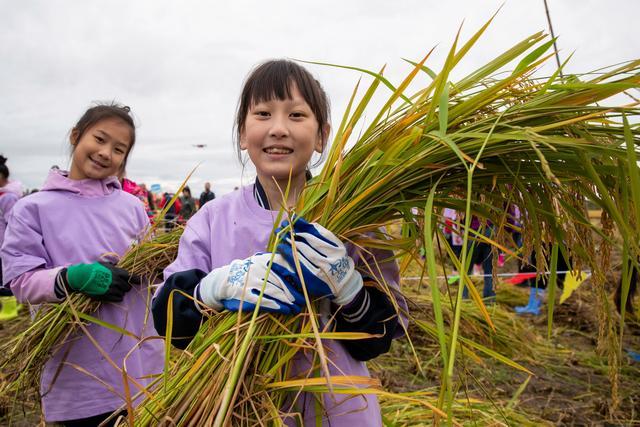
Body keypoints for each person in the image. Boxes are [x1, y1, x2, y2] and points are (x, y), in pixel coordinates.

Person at [151, 60, 406, 425]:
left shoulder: (353, 220)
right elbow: (168, 321)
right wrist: (211, 288)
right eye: (263, 113)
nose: (279, 129)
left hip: (339, 411)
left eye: (297, 115)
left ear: (321, 135)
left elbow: (377, 340)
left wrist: (350, 290)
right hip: (234, 411)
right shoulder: (212, 219)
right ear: (242, 132)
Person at [0, 104, 163, 426]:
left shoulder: (131, 207)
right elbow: (20, 281)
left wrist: (156, 267)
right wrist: (71, 277)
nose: (106, 153)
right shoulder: (33, 208)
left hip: (138, 362)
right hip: (76, 368)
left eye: (119, 149)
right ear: (76, 136)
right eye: (99, 139)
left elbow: (153, 264)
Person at [0, 155, 23, 320]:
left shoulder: (8, 197)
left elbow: (14, 224)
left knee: (4, 278)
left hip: (4, 246)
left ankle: (9, 310)